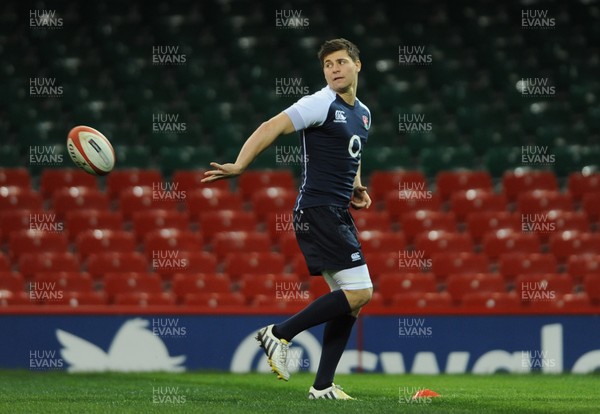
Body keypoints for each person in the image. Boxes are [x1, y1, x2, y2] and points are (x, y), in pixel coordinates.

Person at [202, 38, 373, 400]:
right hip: (318, 209)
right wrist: (240, 164)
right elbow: (271, 126)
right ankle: (279, 332)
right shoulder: (319, 102)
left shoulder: (363, 113)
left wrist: (356, 187)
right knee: (360, 292)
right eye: (328, 65)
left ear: (357, 65)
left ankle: (322, 386)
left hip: (335, 209)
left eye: (341, 62)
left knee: (350, 302)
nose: (334, 69)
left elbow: (352, 153)